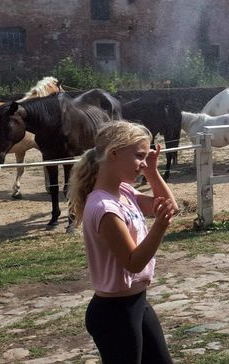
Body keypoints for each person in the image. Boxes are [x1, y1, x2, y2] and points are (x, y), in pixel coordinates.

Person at [67, 120, 179, 364]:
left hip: (137, 303)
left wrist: (152, 171)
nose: (143, 162)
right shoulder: (104, 207)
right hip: (115, 313)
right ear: (114, 154)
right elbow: (133, 262)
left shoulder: (125, 192)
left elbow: (170, 206)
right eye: (139, 156)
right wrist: (160, 226)